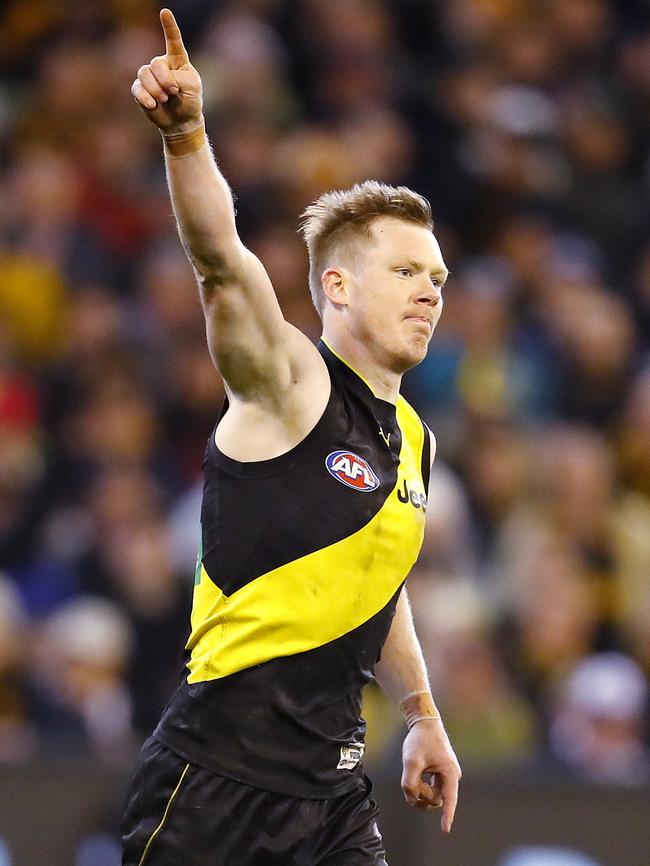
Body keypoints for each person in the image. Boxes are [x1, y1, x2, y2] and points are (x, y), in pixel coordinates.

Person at [122, 9, 461, 866]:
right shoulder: (289, 386)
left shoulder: (413, 438)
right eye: (405, 272)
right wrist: (187, 136)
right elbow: (221, 262)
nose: (430, 293)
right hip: (217, 785)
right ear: (336, 287)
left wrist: (422, 715)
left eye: (438, 278)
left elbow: (372, 576)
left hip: (336, 798)